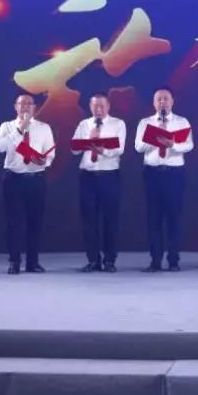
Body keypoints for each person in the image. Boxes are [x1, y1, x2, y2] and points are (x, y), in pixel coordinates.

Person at [134, 87, 194, 272]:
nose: (162, 102)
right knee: (154, 218)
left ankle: (174, 260)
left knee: (174, 218)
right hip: (152, 173)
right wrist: (154, 137)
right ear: (154, 103)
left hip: (174, 174)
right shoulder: (145, 122)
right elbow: (138, 147)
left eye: (165, 99)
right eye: (159, 99)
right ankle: (155, 260)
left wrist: (172, 144)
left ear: (172, 101)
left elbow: (189, 145)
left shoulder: (181, 121)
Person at [0, 94, 54, 275]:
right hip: (14, 179)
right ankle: (14, 261)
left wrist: (44, 161)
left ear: (34, 107)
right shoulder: (6, 126)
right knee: (14, 222)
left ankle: (33, 262)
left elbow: (51, 153)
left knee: (35, 222)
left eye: (29, 103)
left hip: (36, 178)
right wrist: (20, 129)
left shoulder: (44, 127)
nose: (25, 107)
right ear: (15, 106)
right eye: (21, 103)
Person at [72, 92, 126, 273]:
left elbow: (119, 149)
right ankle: (93, 260)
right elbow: (74, 149)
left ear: (108, 106)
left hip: (109, 176)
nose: (99, 109)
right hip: (87, 176)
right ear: (90, 107)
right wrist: (87, 141)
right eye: (95, 106)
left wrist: (102, 149)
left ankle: (109, 260)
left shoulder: (118, 124)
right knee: (89, 220)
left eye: (102, 106)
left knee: (110, 219)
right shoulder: (84, 124)